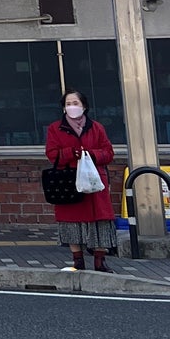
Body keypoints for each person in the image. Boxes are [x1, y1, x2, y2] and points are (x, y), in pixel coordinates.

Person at [44, 87, 117, 271]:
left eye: (75, 103)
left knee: (100, 219)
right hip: (69, 180)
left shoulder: (97, 127)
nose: (71, 107)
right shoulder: (55, 129)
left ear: (84, 106)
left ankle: (100, 261)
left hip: (94, 180)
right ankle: (77, 260)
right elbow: (51, 154)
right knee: (71, 221)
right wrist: (71, 153)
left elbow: (108, 153)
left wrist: (92, 155)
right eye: (68, 104)